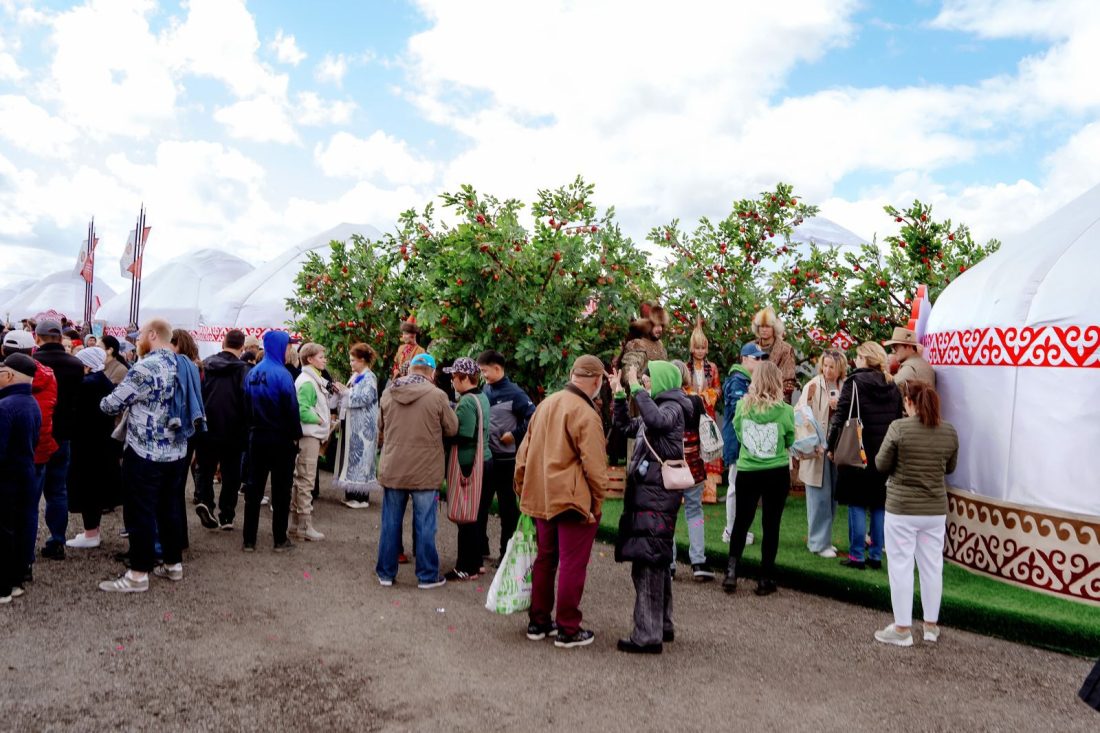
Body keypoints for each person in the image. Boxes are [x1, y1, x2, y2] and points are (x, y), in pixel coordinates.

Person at [515, 355, 608, 649]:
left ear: (572, 375)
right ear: (597, 380)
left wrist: (522, 487)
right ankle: (568, 628)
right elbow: (596, 468)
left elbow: (523, 455)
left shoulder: (546, 404)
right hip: (571, 500)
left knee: (545, 559)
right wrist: (597, 503)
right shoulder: (586, 413)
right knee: (571, 563)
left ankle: (539, 621)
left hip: (541, 495)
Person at [97, 319, 191, 593]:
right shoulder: (183, 364)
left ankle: (138, 574)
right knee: (169, 508)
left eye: (139, 336)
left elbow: (111, 404)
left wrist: (105, 400)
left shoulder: (146, 367)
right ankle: (173, 564)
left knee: (140, 511)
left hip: (145, 451)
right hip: (177, 451)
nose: (136, 341)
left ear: (152, 334)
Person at [611, 360, 691, 654]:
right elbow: (625, 426)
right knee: (656, 558)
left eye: (648, 380)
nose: (645, 384)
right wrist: (620, 395)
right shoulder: (660, 406)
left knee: (647, 562)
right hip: (650, 494)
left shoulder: (673, 407)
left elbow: (655, 421)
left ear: (663, 380)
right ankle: (663, 624)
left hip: (656, 495)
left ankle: (647, 635)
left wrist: (634, 386)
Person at [872, 380, 958, 646]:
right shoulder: (949, 431)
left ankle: (902, 630)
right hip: (934, 510)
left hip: (902, 508)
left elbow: (881, 464)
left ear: (908, 401)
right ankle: (931, 627)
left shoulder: (899, 428)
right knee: (932, 567)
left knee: (901, 567)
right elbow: (950, 468)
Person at [375, 353, 458, 588]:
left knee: (390, 522)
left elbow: (380, 425)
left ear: (410, 369)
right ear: (431, 372)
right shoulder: (437, 395)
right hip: (425, 469)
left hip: (394, 466)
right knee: (425, 524)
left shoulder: (388, 393)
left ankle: (385, 573)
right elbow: (452, 428)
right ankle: (427, 575)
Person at [827, 341, 903, 571]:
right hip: (884, 451)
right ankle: (876, 555)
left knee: (857, 502)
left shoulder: (855, 383)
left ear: (866, 359)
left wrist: (831, 445)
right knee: (879, 504)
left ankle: (857, 555)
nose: (856, 360)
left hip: (857, 449)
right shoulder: (892, 385)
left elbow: (840, 416)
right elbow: (898, 418)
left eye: (859, 357)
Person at [722, 361, 796, 596]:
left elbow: (739, 432)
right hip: (776, 471)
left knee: (741, 522)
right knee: (771, 525)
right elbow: (790, 438)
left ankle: (731, 572)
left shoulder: (743, 407)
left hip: (748, 471)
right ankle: (765, 578)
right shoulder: (786, 411)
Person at [2, 330, 57, 583]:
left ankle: (10, 570)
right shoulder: (48, 375)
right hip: (40, 446)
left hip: (14, 454)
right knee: (29, 509)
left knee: (8, 515)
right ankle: (24, 564)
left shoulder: (9, 384)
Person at [242, 330, 300, 552]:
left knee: (254, 489)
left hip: (256, 437)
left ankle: (249, 540)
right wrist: (295, 436)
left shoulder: (253, 373)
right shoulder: (283, 375)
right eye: (288, 346)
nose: (289, 350)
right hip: (280, 438)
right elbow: (292, 409)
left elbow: (245, 406)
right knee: (281, 490)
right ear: (280, 347)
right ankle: (279, 539)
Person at [32, 319, 84, 561]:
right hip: (64, 433)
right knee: (58, 490)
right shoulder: (75, 364)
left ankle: (25, 542)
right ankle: (57, 539)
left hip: (37, 433)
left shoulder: (33, 363)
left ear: (37, 337)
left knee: (31, 491)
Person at [477, 349, 536, 561]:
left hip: (507, 462)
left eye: (485, 371)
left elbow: (533, 417)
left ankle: (506, 555)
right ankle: (481, 549)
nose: (483, 375)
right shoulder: (485, 389)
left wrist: (515, 434)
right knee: (480, 507)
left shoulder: (515, 393)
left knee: (508, 511)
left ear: (497, 368)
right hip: (488, 459)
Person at [194, 329, 251, 531]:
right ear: (242, 347)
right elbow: (247, 400)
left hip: (207, 426)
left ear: (222, 343)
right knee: (231, 474)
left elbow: (198, 393)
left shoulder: (206, 365)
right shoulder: (244, 370)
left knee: (205, 469)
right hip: (234, 429)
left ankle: (205, 502)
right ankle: (227, 515)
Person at [443, 357, 491, 581]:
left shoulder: (467, 402)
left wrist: (443, 435)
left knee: (466, 518)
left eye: (454, 377)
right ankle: (477, 562)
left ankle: (465, 566)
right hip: (486, 460)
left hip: (469, 464)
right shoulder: (482, 397)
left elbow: (463, 434)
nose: (452, 381)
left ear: (464, 378)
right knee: (477, 515)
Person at [64, 348, 116, 550]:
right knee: (96, 488)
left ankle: (91, 533)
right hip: (102, 442)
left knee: (87, 489)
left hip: (86, 444)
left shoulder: (86, 385)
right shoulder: (104, 381)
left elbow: (76, 414)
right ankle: (93, 531)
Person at [797, 349, 847, 558]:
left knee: (833, 495)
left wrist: (839, 406)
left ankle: (824, 539)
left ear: (840, 367)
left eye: (831, 366)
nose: (827, 370)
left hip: (838, 448)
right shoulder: (813, 385)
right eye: (825, 365)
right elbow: (800, 413)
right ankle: (818, 543)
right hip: (817, 449)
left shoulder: (845, 385)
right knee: (818, 497)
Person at [0, 354, 41, 604]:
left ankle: (2, 587)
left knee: (4, 531)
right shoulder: (31, 402)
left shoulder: (5, 406)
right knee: (20, 527)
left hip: (6, 478)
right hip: (25, 472)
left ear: (9, 375)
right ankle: (15, 580)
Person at [670, 360, 714, 581]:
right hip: (694, 467)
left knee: (669, 515)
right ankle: (698, 561)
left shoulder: (661, 402)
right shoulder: (695, 401)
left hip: (670, 469)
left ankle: (669, 563)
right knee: (695, 512)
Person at [292, 343, 340, 541]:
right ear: (310, 359)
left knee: (302, 480)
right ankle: (304, 526)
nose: (325, 360)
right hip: (309, 436)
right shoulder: (308, 381)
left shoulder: (311, 379)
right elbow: (302, 409)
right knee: (306, 481)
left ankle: (296, 525)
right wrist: (320, 420)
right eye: (321, 357)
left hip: (311, 435)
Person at [720, 343, 766, 545]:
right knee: (736, 486)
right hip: (737, 441)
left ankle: (738, 529)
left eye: (762, 358)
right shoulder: (737, 380)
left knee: (745, 488)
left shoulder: (748, 380)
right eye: (757, 358)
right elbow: (739, 409)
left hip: (746, 440)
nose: (760, 361)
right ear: (744, 358)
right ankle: (731, 531)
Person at [334, 343, 379, 509]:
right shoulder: (355, 376)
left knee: (361, 461)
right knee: (351, 459)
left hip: (363, 427)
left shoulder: (369, 377)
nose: (351, 363)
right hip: (352, 425)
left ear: (362, 360)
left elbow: (365, 398)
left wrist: (346, 392)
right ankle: (351, 494)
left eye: (353, 360)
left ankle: (361, 498)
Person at [685, 320, 723, 503]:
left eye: (703, 348)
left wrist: (707, 395)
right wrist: (692, 395)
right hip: (690, 413)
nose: (700, 351)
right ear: (692, 349)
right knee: (691, 449)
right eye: (697, 348)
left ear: (706, 349)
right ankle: (687, 489)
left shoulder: (712, 367)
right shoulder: (685, 367)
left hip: (707, 413)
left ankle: (709, 493)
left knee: (708, 446)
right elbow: (682, 387)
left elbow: (718, 389)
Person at [748, 307, 797, 400]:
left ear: (774, 328)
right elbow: (744, 372)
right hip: (751, 399)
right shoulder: (750, 347)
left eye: (767, 326)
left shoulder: (785, 349)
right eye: (761, 326)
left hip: (777, 400)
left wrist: (772, 396)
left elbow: (788, 380)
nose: (764, 329)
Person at [620, 302, 670, 377]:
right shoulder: (638, 344)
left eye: (661, 325)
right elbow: (629, 375)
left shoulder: (659, 344)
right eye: (656, 325)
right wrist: (646, 383)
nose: (660, 329)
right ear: (647, 325)